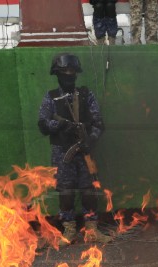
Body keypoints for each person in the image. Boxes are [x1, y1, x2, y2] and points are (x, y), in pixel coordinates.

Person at [38, 53, 112, 246]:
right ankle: (69, 229)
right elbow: (43, 124)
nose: (69, 75)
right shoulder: (51, 97)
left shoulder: (86, 95)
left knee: (89, 190)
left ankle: (92, 229)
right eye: (65, 72)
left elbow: (99, 123)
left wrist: (90, 140)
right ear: (58, 74)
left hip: (85, 151)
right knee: (66, 191)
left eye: (72, 72)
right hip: (63, 153)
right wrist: (61, 126)